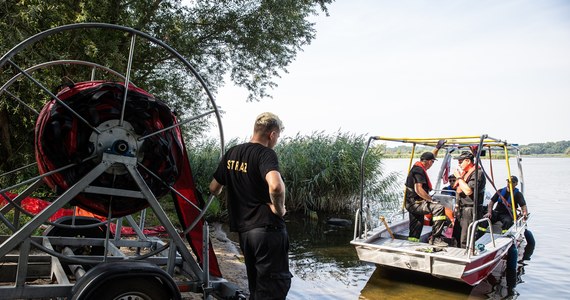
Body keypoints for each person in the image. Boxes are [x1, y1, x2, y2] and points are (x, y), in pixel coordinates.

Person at [209, 112, 292, 300]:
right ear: (272, 134)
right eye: (277, 136)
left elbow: (214, 188)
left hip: (246, 234)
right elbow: (276, 186)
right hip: (267, 231)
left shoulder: (232, 152)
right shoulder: (266, 154)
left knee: (256, 286)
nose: (276, 141)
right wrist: (280, 209)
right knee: (273, 288)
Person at [404, 139, 448, 247]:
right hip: (415, 203)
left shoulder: (419, 166)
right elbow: (419, 189)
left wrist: (437, 147)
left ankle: (412, 244)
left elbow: (430, 155)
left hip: (410, 202)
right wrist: (430, 199)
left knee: (416, 226)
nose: (432, 164)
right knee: (439, 208)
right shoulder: (419, 170)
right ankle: (436, 238)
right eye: (432, 162)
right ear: (428, 161)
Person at [483, 176, 535, 261]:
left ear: (516, 184)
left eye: (512, 182)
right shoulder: (500, 191)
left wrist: (524, 214)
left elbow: (523, 206)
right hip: (497, 212)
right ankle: (479, 234)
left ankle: (503, 240)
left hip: (508, 214)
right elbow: (491, 202)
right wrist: (489, 212)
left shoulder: (518, 194)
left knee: (507, 222)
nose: (509, 183)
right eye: (508, 181)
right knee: (484, 220)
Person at [453, 150, 486, 249]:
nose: (459, 164)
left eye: (460, 162)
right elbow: (459, 190)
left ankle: (466, 255)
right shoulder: (466, 173)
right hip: (462, 209)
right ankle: (455, 253)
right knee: (456, 235)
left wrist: (459, 177)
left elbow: (468, 191)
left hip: (471, 210)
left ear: (468, 161)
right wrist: (457, 205)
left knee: (465, 238)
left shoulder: (477, 174)